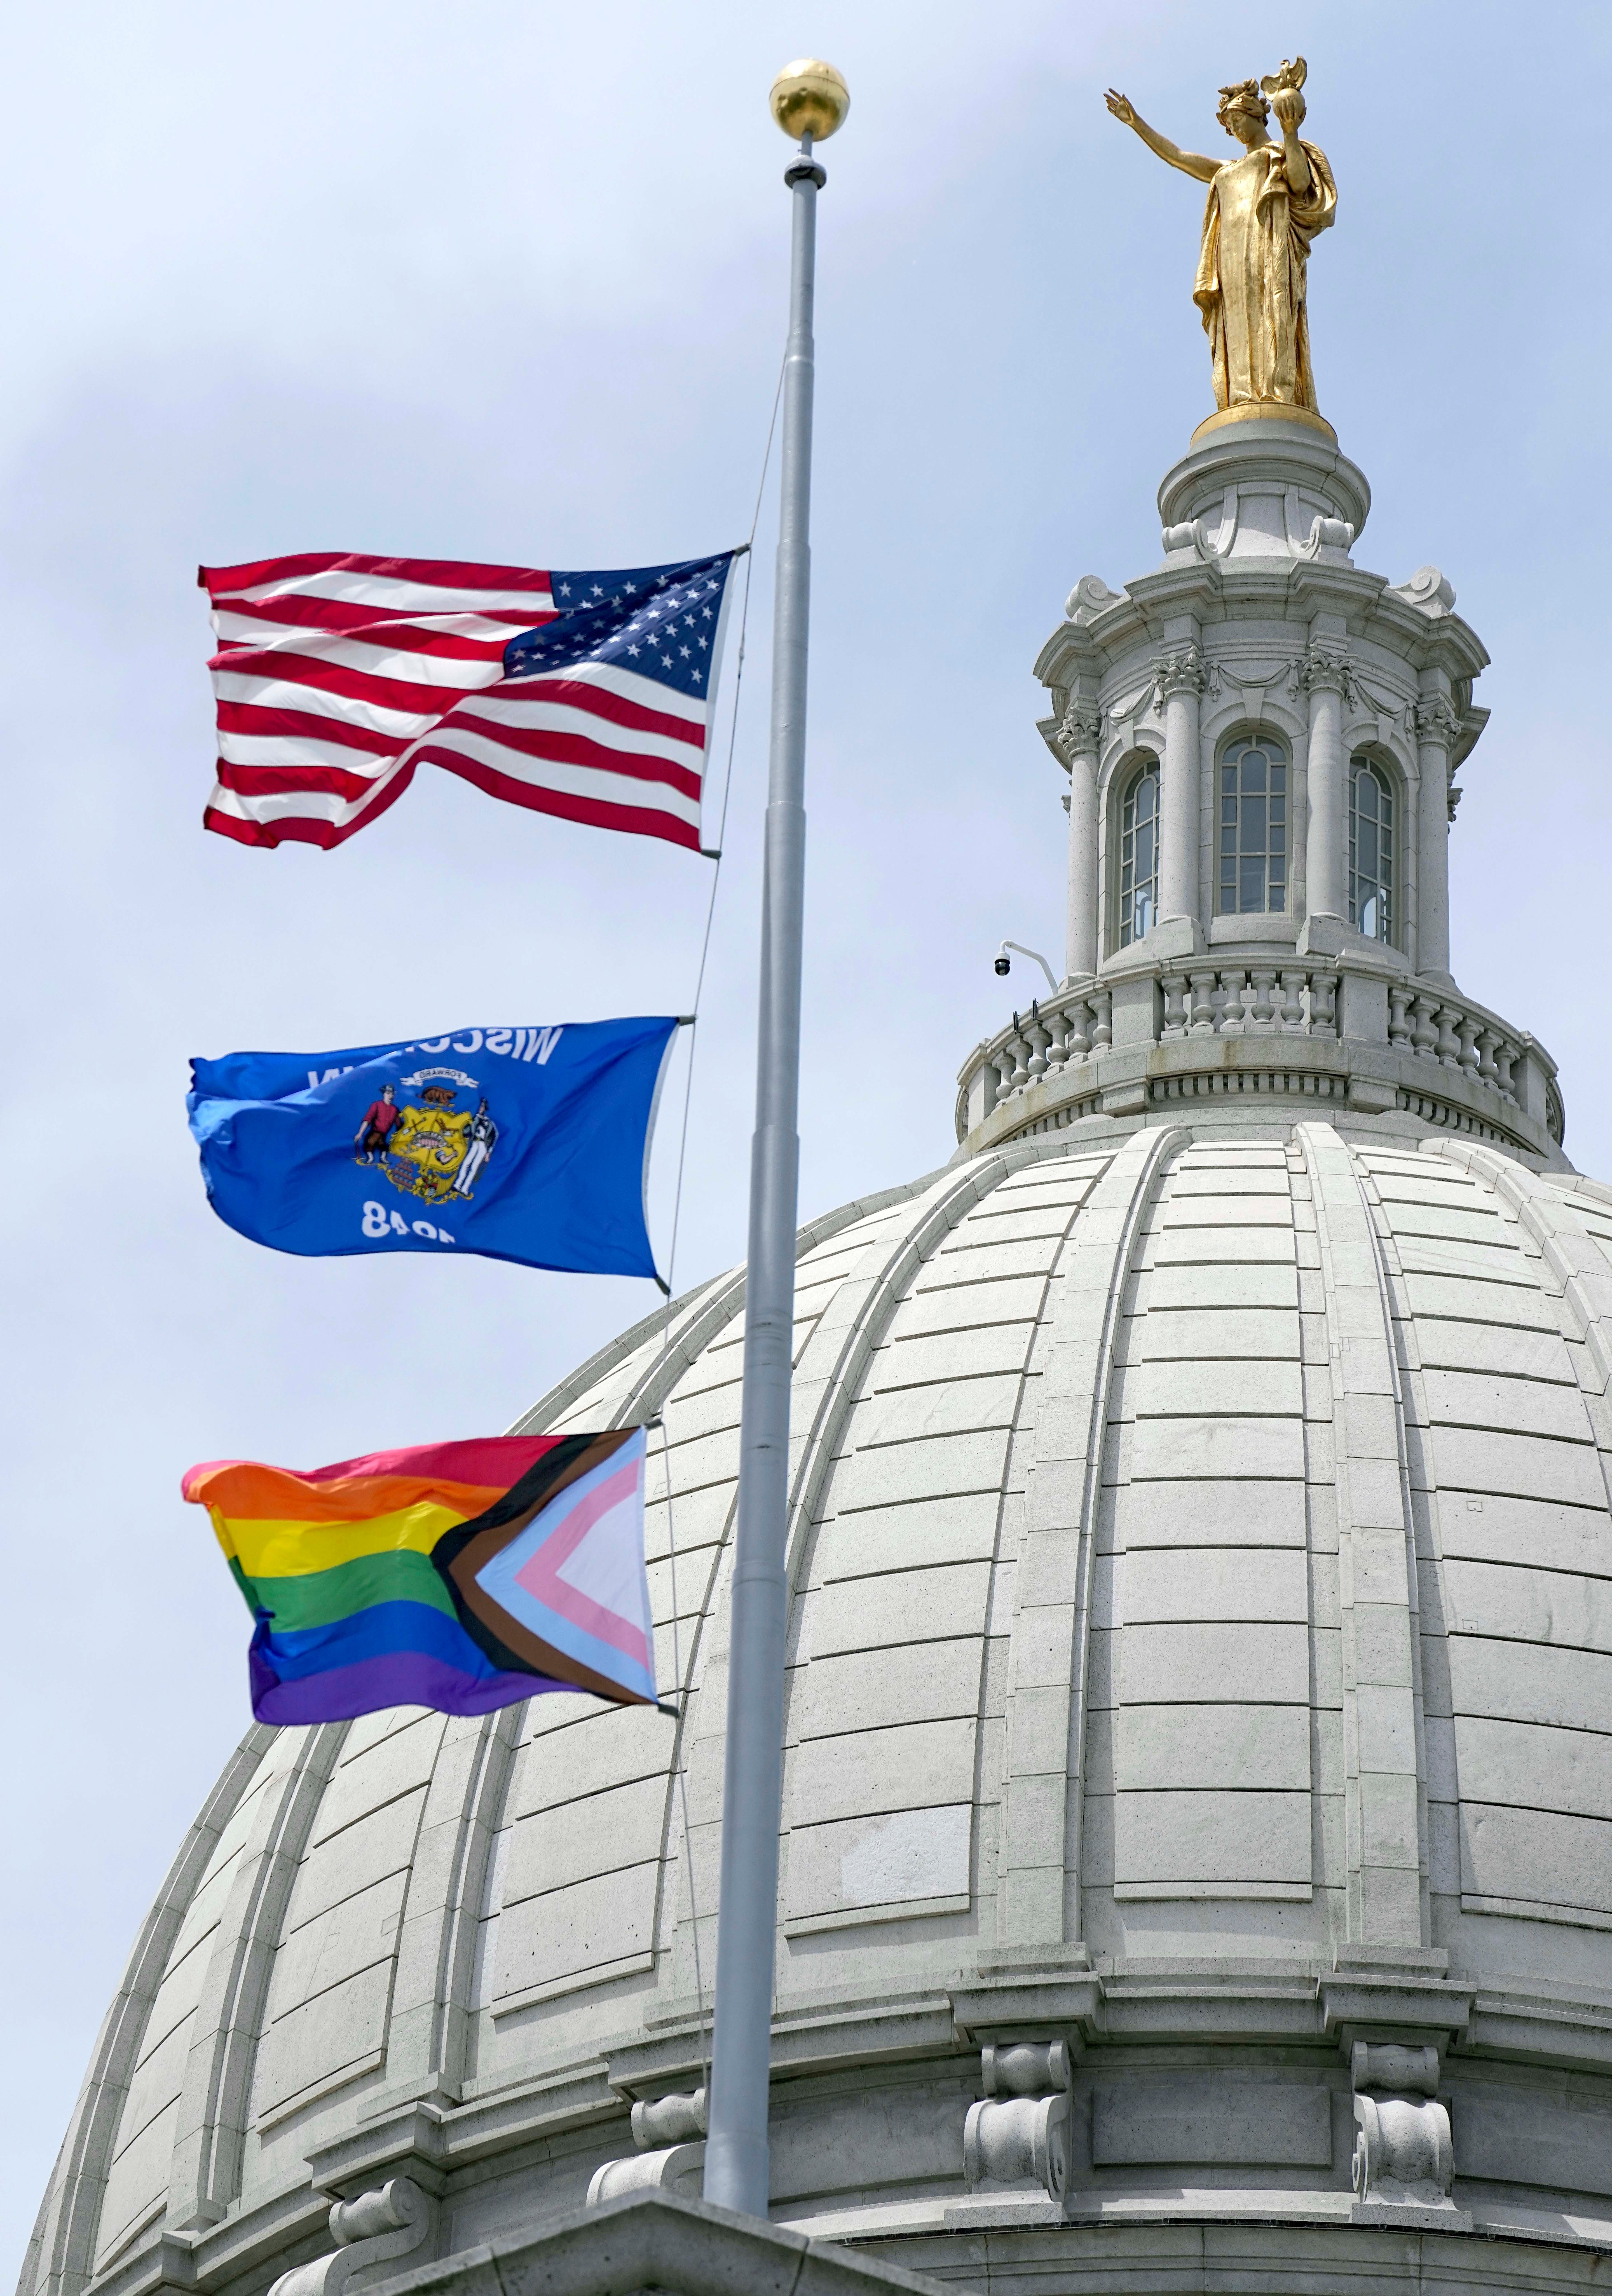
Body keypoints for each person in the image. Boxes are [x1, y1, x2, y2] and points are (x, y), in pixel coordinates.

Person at [1105, 60, 1336, 418]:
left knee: (1272, 312)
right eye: (1229, 125)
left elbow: (1300, 183)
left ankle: (1278, 391)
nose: (1234, 129)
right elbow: (1179, 158)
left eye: (1237, 119)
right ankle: (1241, 396)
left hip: (1267, 247)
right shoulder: (1227, 170)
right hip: (1230, 259)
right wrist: (1137, 124)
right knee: (1238, 325)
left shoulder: (1276, 156)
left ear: (1257, 115)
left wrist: (1290, 132)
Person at [452, 1099, 498, 1198]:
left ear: (485, 1109)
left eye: (483, 1107)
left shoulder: (489, 1123)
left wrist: (489, 1152)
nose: (481, 1108)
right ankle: (458, 1186)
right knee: (466, 1164)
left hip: (484, 1146)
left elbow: (495, 1136)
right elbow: (468, 1131)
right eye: (480, 1106)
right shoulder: (475, 1119)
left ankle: (465, 1189)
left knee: (474, 1167)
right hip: (475, 1144)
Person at [354, 1082, 400, 1163]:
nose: (390, 1096)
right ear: (384, 1094)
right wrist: (360, 1134)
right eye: (388, 1094)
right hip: (375, 1132)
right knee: (370, 1143)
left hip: (384, 1134)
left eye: (392, 1094)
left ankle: (383, 1159)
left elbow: (399, 1124)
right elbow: (367, 1120)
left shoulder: (395, 1109)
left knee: (383, 1145)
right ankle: (371, 1158)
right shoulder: (376, 1105)